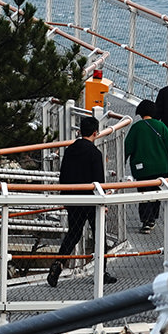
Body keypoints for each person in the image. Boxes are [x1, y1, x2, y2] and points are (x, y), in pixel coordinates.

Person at [47, 117, 117, 287]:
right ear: (95, 133)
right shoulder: (95, 153)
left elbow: (63, 174)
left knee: (74, 233)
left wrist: (65, 195)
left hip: (73, 198)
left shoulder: (70, 150)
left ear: (79, 131)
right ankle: (101, 273)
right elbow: (98, 181)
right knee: (99, 236)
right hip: (92, 201)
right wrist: (103, 203)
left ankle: (58, 265)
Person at [124, 99, 168, 234]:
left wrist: (121, 161)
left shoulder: (136, 127)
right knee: (156, 193)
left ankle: (146, 220)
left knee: (144, 194)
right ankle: (152, 219)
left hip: (142, 169)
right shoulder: (160, 126)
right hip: (160, 167)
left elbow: (127, 148)